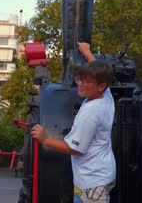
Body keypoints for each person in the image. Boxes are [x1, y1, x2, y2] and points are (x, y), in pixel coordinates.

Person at [31, 42, 116, 202]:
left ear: (101, 85)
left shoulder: (91, 113)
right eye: (80, 79)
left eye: (87, 82)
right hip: (100, 173)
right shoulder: (105, 95)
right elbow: (97, 72)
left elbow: (76, 149)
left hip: (91, 182)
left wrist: (46, 139)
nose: (81, 84)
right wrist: (87, 52)